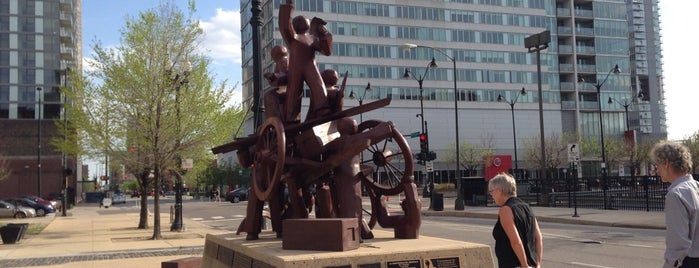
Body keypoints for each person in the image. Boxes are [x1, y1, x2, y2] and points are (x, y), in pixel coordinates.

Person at [650, 141, 699, 268]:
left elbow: (678, 245)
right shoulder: (696, 187)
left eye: (657, 165)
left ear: (666, 163)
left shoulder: (676, 194)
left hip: (690, 262)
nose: (657, 170)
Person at [488, 173, 542, 268]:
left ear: (499, 191)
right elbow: (538, 237)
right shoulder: (527, 207)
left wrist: (524, 265)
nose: (491, 195)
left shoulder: (506, 210)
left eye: (491, 192)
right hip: (532, 264)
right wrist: (538, 263)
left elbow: (516, 241)